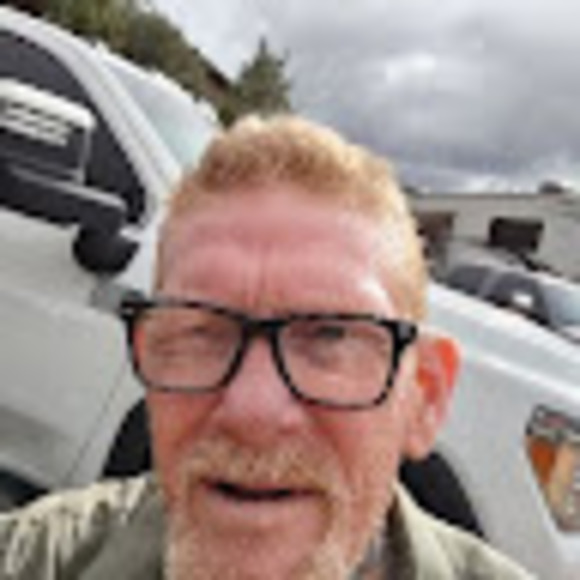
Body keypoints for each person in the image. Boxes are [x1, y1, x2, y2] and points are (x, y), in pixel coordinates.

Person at [0, 115, 535, 579]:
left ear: (425, 396)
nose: (252, 412)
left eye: (329, 336)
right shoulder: (39, 558)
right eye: (202, 332)